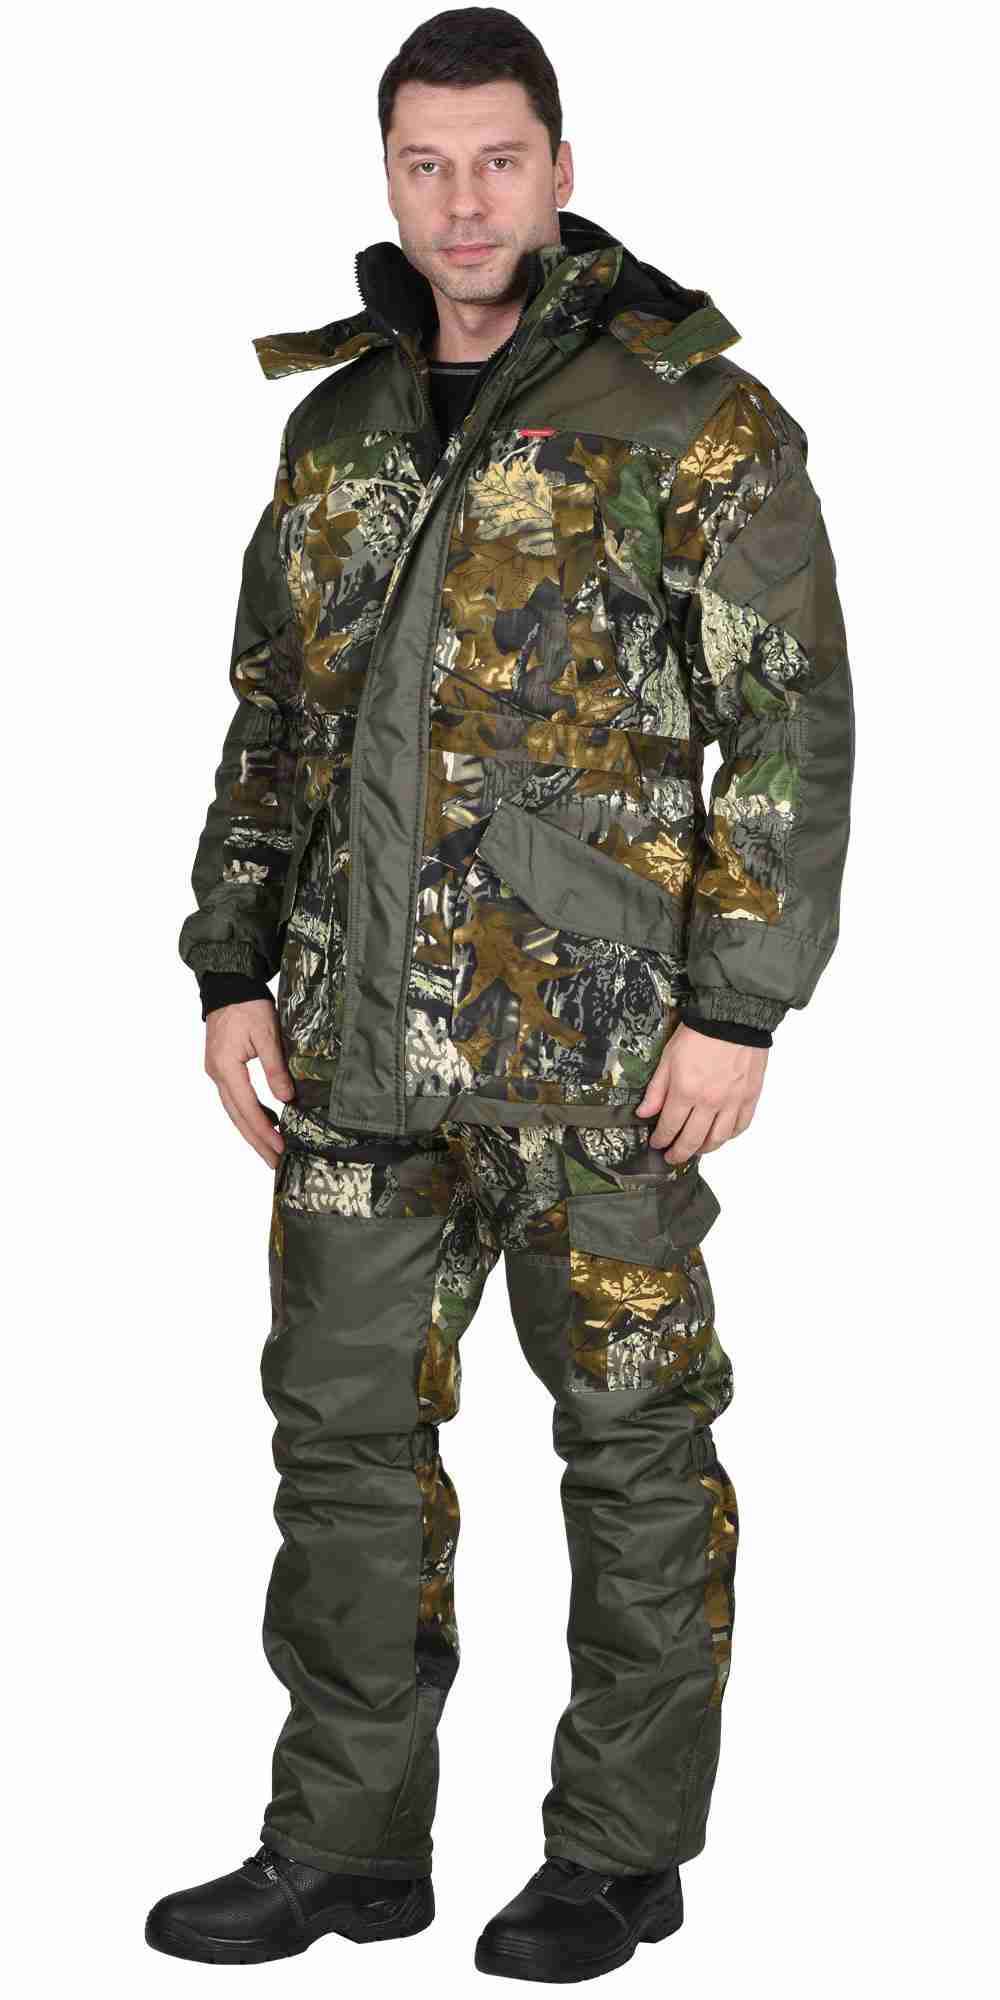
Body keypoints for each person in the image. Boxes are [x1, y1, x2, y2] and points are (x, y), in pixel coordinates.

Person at [148, 6, 855, 1980]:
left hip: (604, 1056)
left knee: (632, 1451)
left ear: (559, 167)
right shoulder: (336, 430)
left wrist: (737, 1008)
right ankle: (345, 1845)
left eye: (496, 158)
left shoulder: (685, 415)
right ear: (387, 175)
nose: (460, 200)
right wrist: (232, 962)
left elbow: (785, 726)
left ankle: (619, 1855)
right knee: (340, 1449)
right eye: (423, 162)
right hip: (350, 1051)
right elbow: (275, 721)